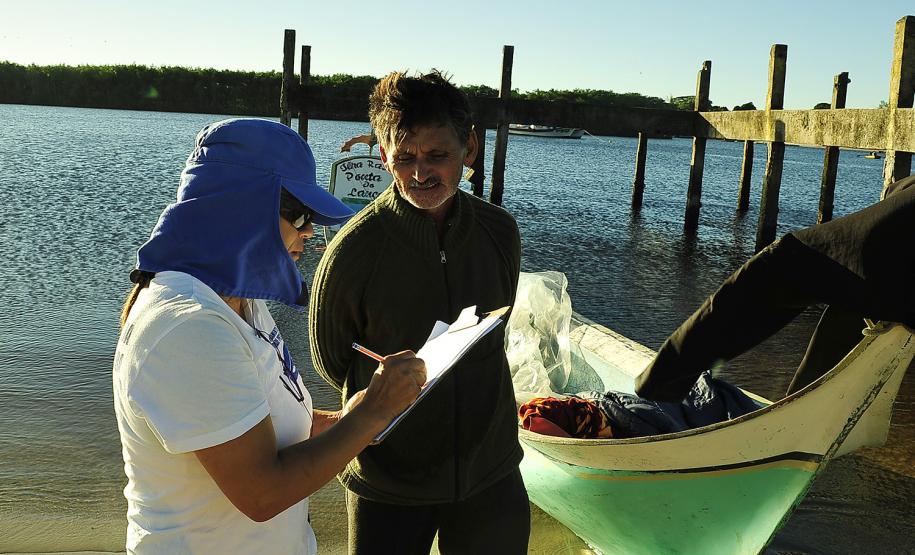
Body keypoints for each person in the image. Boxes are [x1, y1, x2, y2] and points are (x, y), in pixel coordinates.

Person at [112, 118, 427, 554]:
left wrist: (347, 419)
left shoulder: (238, 301)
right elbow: (262, 493)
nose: (309, 231)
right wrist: (373, 412)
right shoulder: (189, 325)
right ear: (242, 208)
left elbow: (266, 424)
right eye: (298, 214)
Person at [308, 70, 529, 554]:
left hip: (491, 475)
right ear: (383, 156)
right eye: (405, 157)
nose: (420, 173)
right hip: (389, 484)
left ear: (469, 149)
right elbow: (332, 362)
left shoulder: (499, 232)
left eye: (437, 156)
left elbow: (497, 331)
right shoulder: (353, 252)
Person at [635, 174, 915, 403]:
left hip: (826, 260)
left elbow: (894, 192)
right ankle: (801, 415)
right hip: (879, 286)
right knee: (840, 337)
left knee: (740, 301)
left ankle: (654, 390)